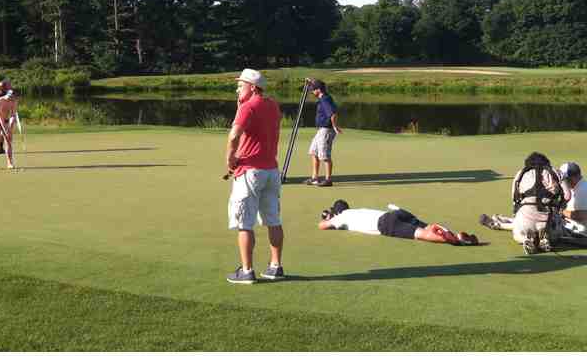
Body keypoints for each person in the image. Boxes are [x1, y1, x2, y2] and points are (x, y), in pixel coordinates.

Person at [225, 69, 284, 284]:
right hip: (271, 171)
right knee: (273, 221)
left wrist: (230, 159)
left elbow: (234, 135)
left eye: (240, 85)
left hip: (250, 172)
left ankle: (247, 271)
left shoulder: (248, 107)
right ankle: (275, 267)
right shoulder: (272, 105)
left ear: (252, 87)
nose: (237, 89)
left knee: (245, 223)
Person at [318, 199, 479, 245]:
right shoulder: (355, 210)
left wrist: (330, 218)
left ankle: (456, 241)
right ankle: (454, 234)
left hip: (386, 223)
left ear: (337, 212)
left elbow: (322, 226)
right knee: (426, 226)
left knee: (422, 234)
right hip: (396, 212)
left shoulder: (341, 216)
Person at [505, 152, 570, 254]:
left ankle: (526, 239)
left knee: (517, 234)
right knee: (557, 234)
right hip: (548, 218)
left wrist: (516, 214)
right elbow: (567, 195)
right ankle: (546, 238)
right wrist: (560, 208)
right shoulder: (555, 172)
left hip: (525, 216)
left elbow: (515, 199)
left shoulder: (520, 173)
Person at [304, 79, 342, 187]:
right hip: (321, 130)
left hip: (326, 130)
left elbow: (333, 114)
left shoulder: (325, 99)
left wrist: (335, 126)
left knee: (324, 155)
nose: (312, 92)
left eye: (313, 89)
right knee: (313, 152)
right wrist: (310, 81)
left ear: (319, 90)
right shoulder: (323, 98)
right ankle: (315, 178)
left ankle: (328, 180)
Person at [0, 89, 19, 171]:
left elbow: (13, 114)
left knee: (9, 140)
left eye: (13, 97)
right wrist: (5, 129)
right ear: (7, 95)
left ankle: (9, 163)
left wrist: (10, 126)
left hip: (6, 120)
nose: (11, 98)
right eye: (10, 96)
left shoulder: (14, 101)